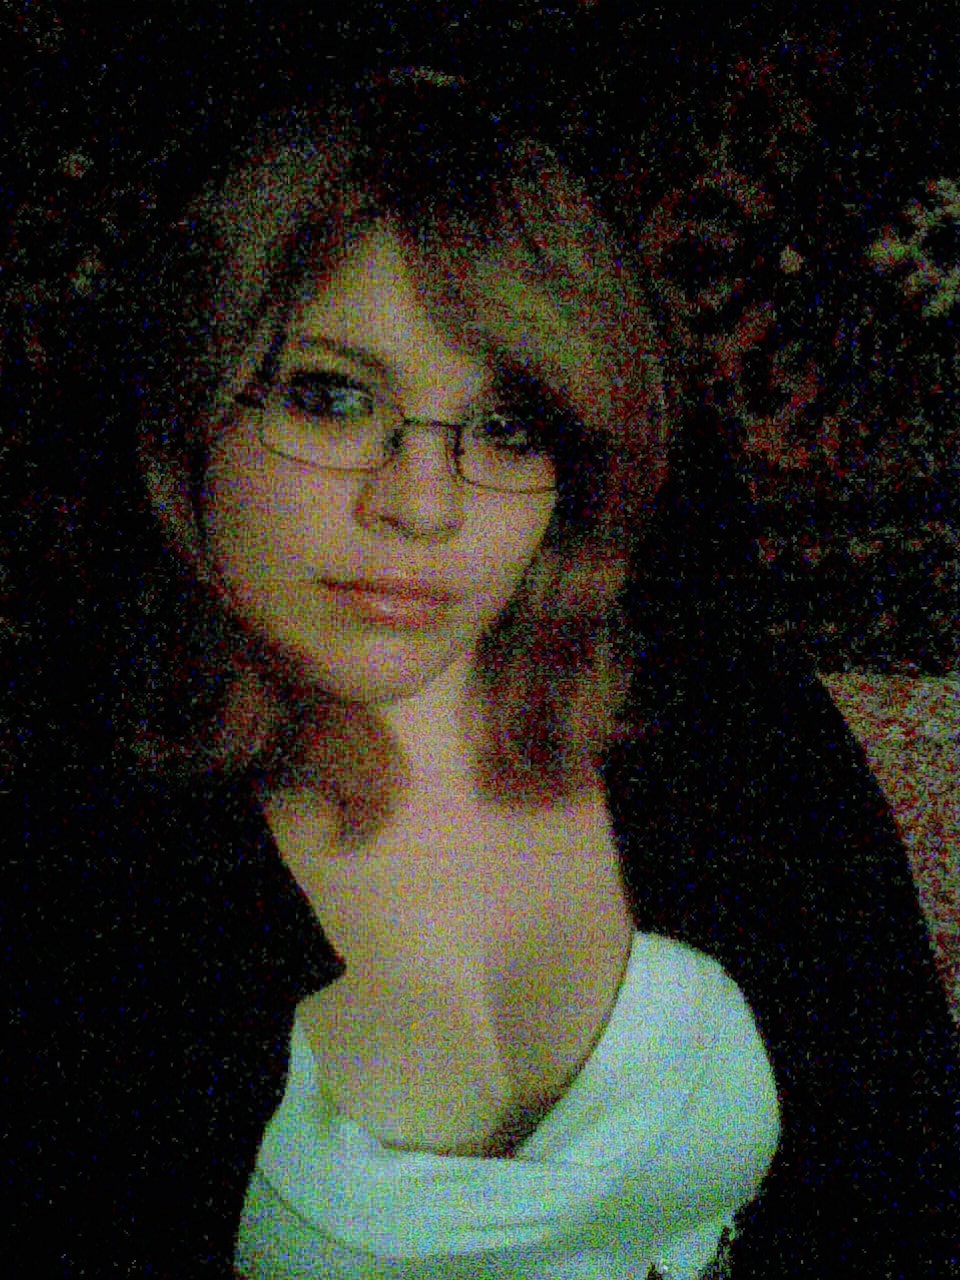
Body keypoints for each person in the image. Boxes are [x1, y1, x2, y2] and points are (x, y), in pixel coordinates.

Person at [2, 67, 958, 1279]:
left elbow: (910, 1185)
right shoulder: (72, 856)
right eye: (331, 398)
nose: (424, 504)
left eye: (509, 425)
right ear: (186, 409)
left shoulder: (734, 724)